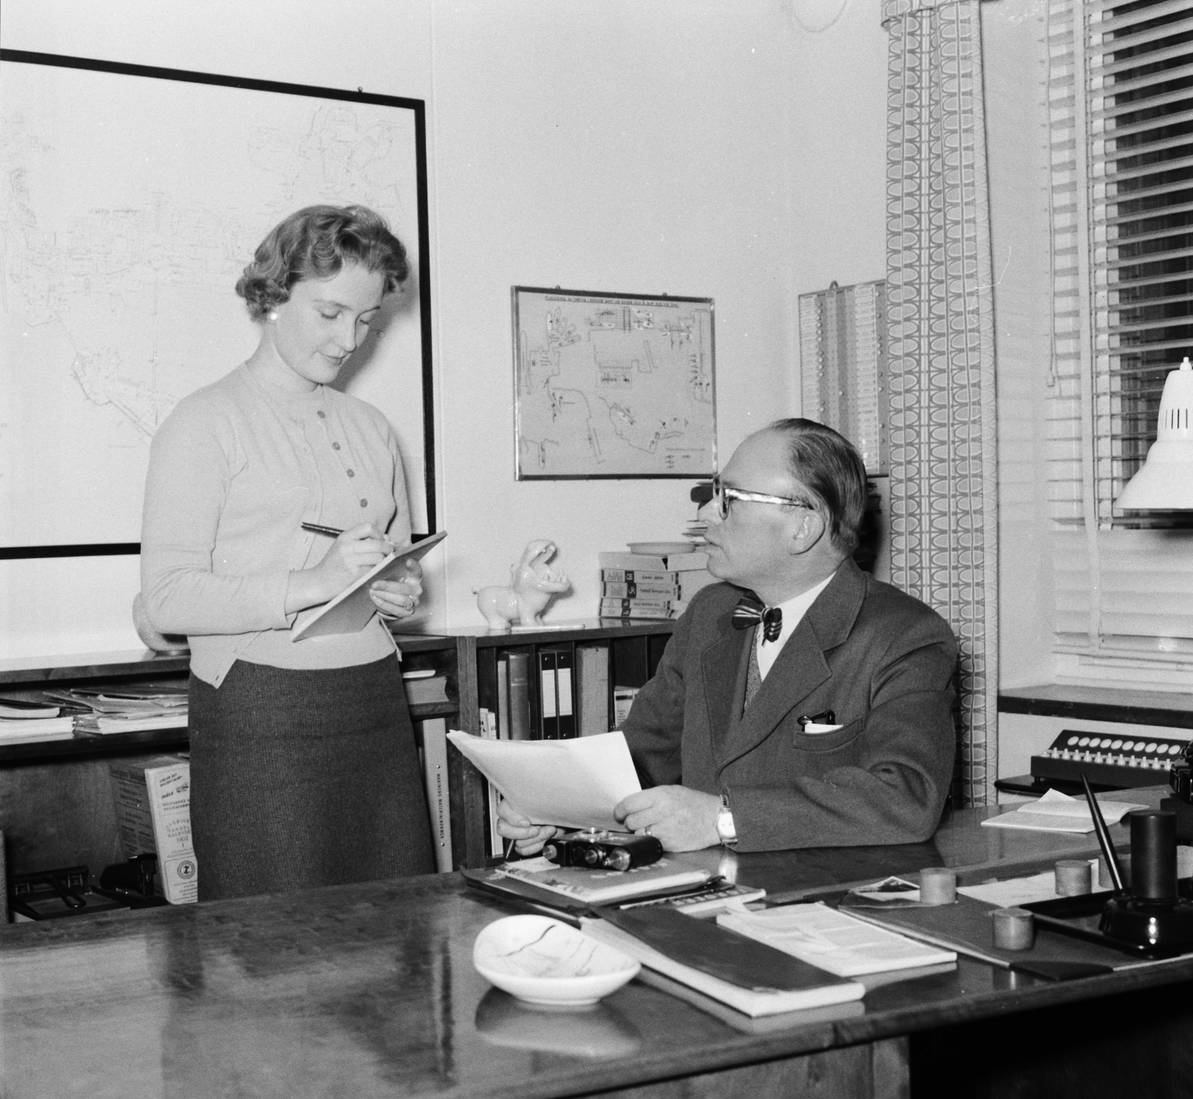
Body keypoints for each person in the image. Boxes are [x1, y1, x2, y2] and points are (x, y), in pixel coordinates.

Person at [140, 203, 435, 899]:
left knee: (397, 928)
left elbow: (390, 562)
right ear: (274, 296)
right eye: (330, 313)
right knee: (270, 940)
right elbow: (167, 600)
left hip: (372, 700)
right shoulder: (203, 421)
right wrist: (314, 581)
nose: (348, 340)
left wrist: (396, 592)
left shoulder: (373, 428)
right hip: (262, 710)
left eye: (366, 320)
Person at [500, 418, 958, 855]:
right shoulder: (710, 613)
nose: (705, 514)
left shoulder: (904, 635)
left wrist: (723, 820)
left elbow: (906, 797)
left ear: (803, 528)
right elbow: (641, 757)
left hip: (818, 893)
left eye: (730, 499)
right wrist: (562, 809)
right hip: (701, 887)